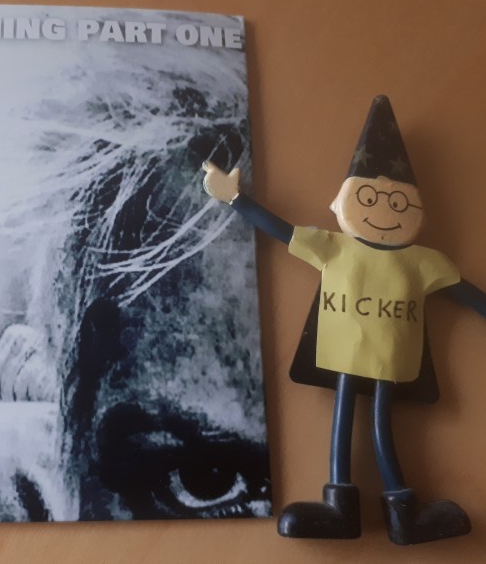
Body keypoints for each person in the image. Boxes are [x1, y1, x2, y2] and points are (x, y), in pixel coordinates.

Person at [202, 95, 486, 544]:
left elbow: (465, 292)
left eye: (398, 202)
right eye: (369, 198)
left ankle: (403, 518)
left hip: (389, 361)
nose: (384, 211)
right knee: (346, 422)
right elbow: (281, 230)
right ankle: (342, 510)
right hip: (345, 356)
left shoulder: (422, 261)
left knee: (379, 426)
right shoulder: (334, 247)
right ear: (343, 202)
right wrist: (235, 198)